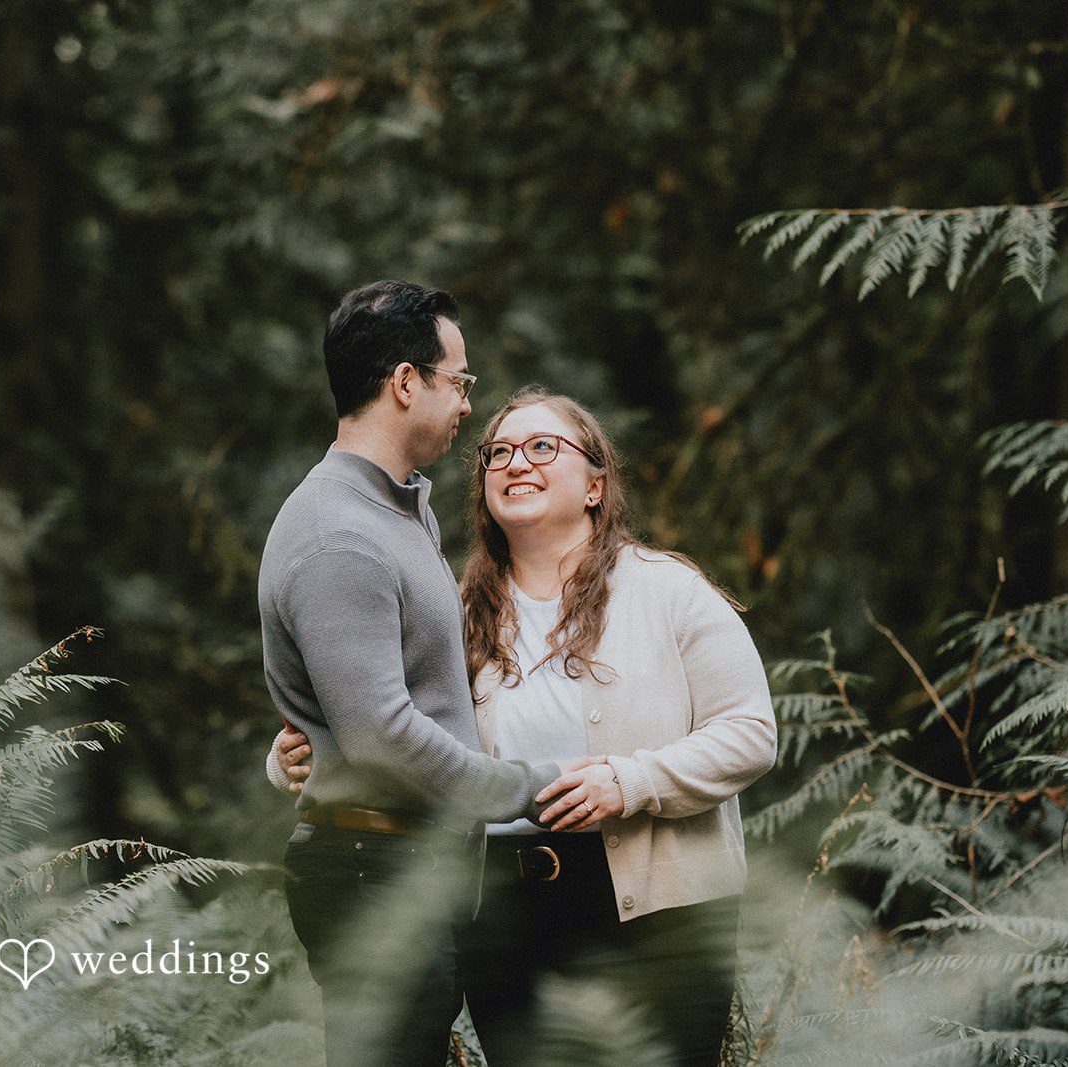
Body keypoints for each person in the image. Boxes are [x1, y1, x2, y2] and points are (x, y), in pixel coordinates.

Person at [273, 387, 778, 1066]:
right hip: (504, 919)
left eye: (543, 446)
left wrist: (632, 781)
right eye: (498, 453)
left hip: (663, 919)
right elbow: (383, 726)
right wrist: (296, 754)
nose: (516, 463)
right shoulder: (451, 613)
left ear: (596, 486)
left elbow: (750, 731)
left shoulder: (670, 591)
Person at [259, 283, 590, 1067]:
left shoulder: (396, 510)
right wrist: (529, 789)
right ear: (407, 382)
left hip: (407, 863)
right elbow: (379, 735)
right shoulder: (340, 534)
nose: (468, 404)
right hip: (372, 870)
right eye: (459, 381)